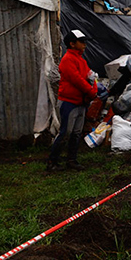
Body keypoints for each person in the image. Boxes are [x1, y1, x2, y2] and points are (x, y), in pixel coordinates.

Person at [47, 29, 98, 171]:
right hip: (70, 102)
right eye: (82, 42)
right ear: (72, 44)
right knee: (65, 132)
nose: (84, 44)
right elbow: (78, 80)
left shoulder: (81, 60)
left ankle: (72, 160)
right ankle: (53, 162)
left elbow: (90, 76)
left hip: (81, 102)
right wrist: (92, 92)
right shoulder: (67, 60)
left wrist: (92, 89)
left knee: (76, 133)